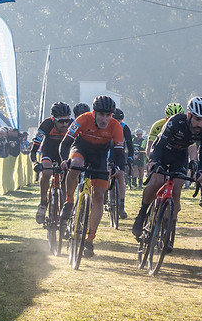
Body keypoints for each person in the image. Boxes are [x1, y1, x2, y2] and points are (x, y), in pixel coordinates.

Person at [131, 97, 202, 250]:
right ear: (189, 115)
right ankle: (142, 212)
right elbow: (160, 145)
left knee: (176, 189)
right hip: (162, 153)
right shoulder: (176, 121)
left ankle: (169, 228)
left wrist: (201, 172)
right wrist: (154, 162)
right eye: (197, 119)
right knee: (156, 182)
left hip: (179, 157)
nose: (200, 124)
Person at [60, 96, 127, 258]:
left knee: (99, 196)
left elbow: (119, 153)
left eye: (108, 115)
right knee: (75, 164)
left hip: (100, 156)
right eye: (102, 115)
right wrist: (64, 160)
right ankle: (69, 201)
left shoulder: (116, 126)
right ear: (94, 113)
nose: (105, 119)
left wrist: (117, 169)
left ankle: (90, 239)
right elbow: (66, 142)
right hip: (81, 148)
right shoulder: (83, 119)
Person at [30, 102, 73, 224]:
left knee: (66, 179)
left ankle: (66, 208)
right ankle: (43, 202)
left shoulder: (72, 124)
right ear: (53, 119)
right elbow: (33, 150)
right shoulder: (46, 125)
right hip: (49, 150)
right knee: (47, 171)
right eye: (61, 121)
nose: (65, 124)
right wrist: (35, 163)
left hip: (64, 153)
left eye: (67, 121)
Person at [111, 108, 134, 218]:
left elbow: (130, 145)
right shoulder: (106, 125)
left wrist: (130, 157)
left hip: (119, 154)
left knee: (120, 176)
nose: (118, 123)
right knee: (105, 172)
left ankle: (121, 205)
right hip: (107, 152)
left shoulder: (125, 127)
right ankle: (105, 196)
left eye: (120, 121)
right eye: (117, 120)